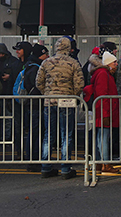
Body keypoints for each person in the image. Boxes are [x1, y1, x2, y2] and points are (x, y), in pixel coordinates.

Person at [36, 37, 85, 180]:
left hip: (49, 102)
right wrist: (73, 96)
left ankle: (46, 167)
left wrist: (47, 94)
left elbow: (39, 82)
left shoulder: (46, 62)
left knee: (48, 135)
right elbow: (79, 84)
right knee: (66, 136)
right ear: (69, 48)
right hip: (67, 102)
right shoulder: (73, 63)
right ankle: (65, 168)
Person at [85, 51, 120, 173]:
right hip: (104, 111)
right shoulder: (104, 74)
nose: (116, 64)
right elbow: (103, 94)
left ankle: (99, 163)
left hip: (102, 110)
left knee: (100, 137)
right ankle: (105, 163)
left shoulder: (103, 73)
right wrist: (106, 114)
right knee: (103, 138)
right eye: (114, 62)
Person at [21, 44, 48, 171]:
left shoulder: (29, 66)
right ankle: (33, 160)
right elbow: (37, 86)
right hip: (36, 105)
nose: (47, 56)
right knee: (36, 133)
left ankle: (33, 158)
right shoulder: (36, 68)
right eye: (45, 54)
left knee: (34, 132)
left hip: (33, 105)